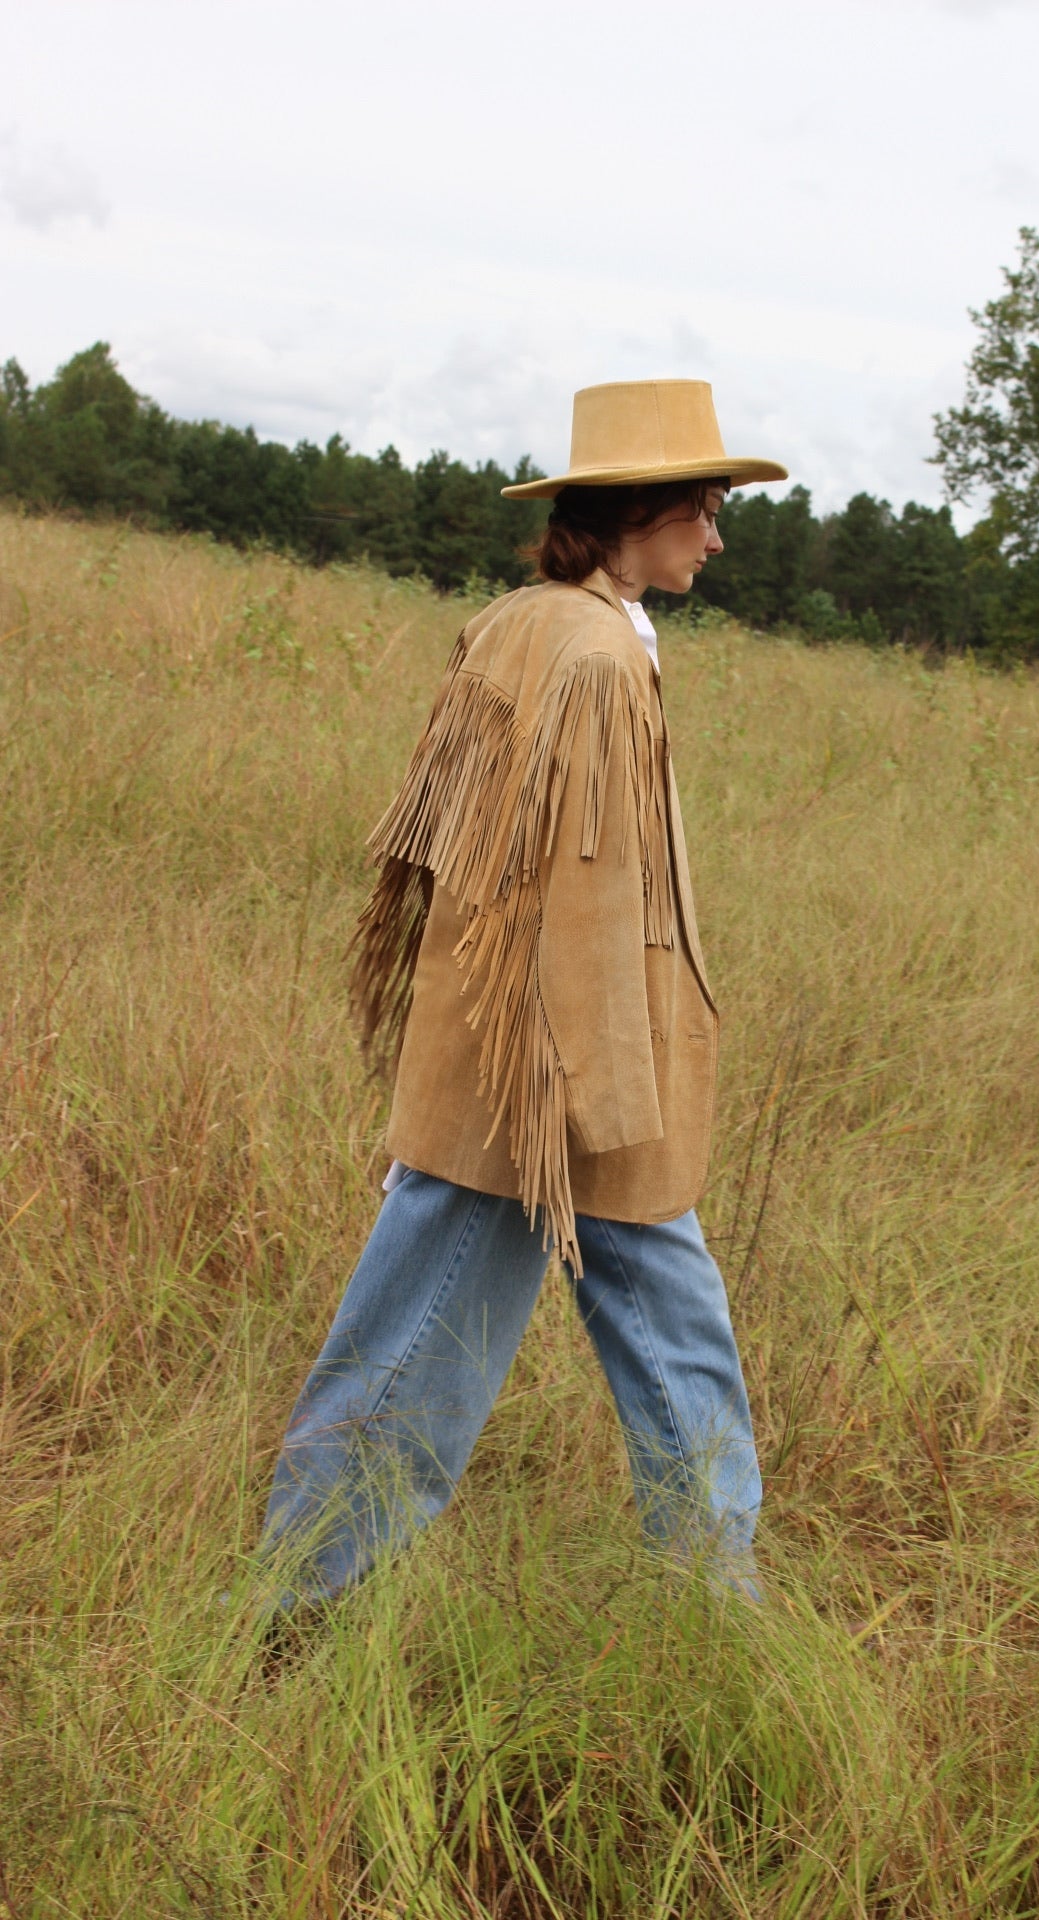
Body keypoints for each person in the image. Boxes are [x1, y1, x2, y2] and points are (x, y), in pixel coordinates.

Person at [256, 379, 788, 1610]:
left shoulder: (522, 624)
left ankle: (719, 1609)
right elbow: (586, 896)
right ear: (635, 509)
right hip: (552, 1089)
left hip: (513, 1061)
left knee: (660, 1336)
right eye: (704, 507)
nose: (715, 535)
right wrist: (593, 1106)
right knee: (411, 1367)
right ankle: (299, 1612)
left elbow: (458, 853)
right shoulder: (598, 655)